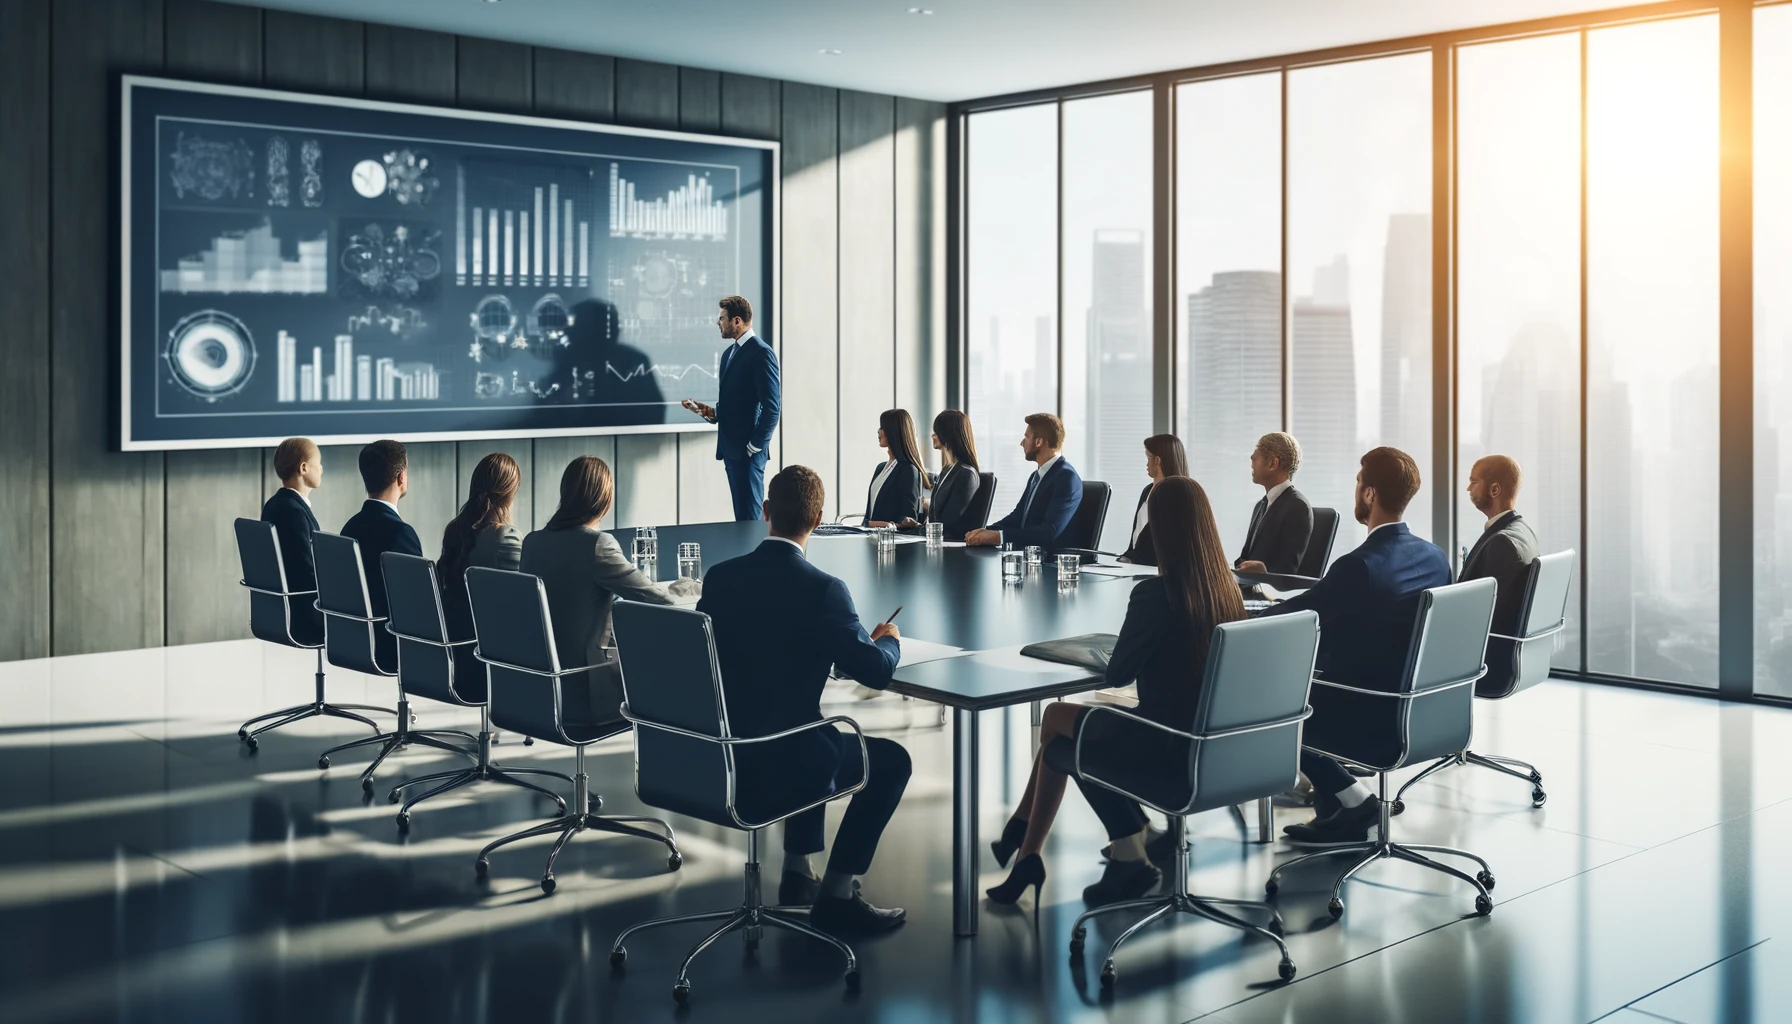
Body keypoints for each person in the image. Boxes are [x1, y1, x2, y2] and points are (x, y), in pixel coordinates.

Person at [986, 477, 1247, 907]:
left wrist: (1115, 649)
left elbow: (1119, 672)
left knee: (1056, 731)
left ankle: (1108, 851)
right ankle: (1031, 850)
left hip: (1169, 744)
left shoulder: (1155, 594)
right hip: (1216, 743)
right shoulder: (1226, 590)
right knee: (1058, 724)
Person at [697, 465, 911, 935]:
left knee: (812, 730)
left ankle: (798, 872)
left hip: (719, 757)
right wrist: (889, 640)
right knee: (889, 761)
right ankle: (836, 893)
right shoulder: (824, 590)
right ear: (817, 519)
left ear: (767, 512)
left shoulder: (720, 579)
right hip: (783, 764)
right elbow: (875, 672)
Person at [1262, 447, 1451, 845]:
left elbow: (1297, 618)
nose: (1357, 490)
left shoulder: (1359, 566)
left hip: (1367, 710)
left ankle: (1353, 800)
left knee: (1270, 700)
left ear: (1369, 494)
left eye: (1358, 483)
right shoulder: (1436, 558)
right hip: (1424, 705)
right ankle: (1336, 805)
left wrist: (1241, 615)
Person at [519, 457, 699, 726]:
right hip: (589, 688)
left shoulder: (532, 542)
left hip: (539, 688)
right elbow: (658, 600)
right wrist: (689, 589)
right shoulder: (596, 544)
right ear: (604, 498)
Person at [681, 295, 780, 522]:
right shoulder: (728, 355)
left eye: (722, 318)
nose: (718, 323)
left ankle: (756, 558)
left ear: (737, 321)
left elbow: (772, 408)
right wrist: (703, 411)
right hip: (731, 451)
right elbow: (733, 406)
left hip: (748, 452)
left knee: (750, 518)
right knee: (741, 518)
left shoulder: (762, 353)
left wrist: (755, 446)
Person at [1460, 454, 1540, 677]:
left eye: (1474, 482)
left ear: (1494, 490)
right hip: (1506, 655)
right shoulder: (1524, 530)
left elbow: (1489, 616)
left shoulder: (1501, 542)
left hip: (1486, 664)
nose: (1468, 488)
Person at [340, 439, 423, 644]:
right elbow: (419, 604)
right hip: (391, 644)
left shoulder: (349, 528)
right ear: (401, 477)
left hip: (352, 639)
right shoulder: (402, 534)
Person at [964, 413, 1084, 551]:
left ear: (1039, 442)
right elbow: (1017, 517)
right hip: (1027, 557)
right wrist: (982, 532)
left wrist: (997, 537)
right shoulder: (1036, 475)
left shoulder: (1067, 478)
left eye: (1026, 437)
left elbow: (1048, 532)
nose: (1022, 443)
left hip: (1051, 564)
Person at [437, 452, 524, 642]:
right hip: (492, 649)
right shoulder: (506, 537)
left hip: (457, 642)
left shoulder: (455, 529)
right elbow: (521, 606)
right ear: (511, 493)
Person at [1235, 432, 1315, 575]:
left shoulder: (1298, 507)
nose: (1252, 458)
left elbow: (1287, 570)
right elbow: (1245, 558)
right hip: (1249, 588)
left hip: (1268, 593)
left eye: (1256, 453)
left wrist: (1264, 572)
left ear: (1273, 463)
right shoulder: (1261, 505)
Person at [899, 410, 983, 540]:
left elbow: (948, 524)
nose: (933, 435)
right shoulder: (947, 470)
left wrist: (917, 528)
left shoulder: (966, 474)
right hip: (934, 540)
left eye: (936, 431)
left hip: (950, 547)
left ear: (947, 435)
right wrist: (916, 525)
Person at [261, 437, 322, 593]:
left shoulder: (273, 504)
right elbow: (305, 572)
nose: (321, 469)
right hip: (305, 607)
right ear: (304, 468)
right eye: (318, 463)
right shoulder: (295, 513)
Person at [1117, 434, 1189, 566]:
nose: (1146, 463)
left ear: (1157, 460)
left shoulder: (1177, 495)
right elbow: (1136, 538)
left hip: (1158, 569)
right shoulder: (1147, 491)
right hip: (1136, 566)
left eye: (1148, 457)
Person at [862, 409, 928, 527]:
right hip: (871, 537)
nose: (878, 431)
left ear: (893, 432)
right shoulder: (880, 468)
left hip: (892, 540)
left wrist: (878, 525)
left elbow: (908, 518)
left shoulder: (908, 470)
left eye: (882, 427)